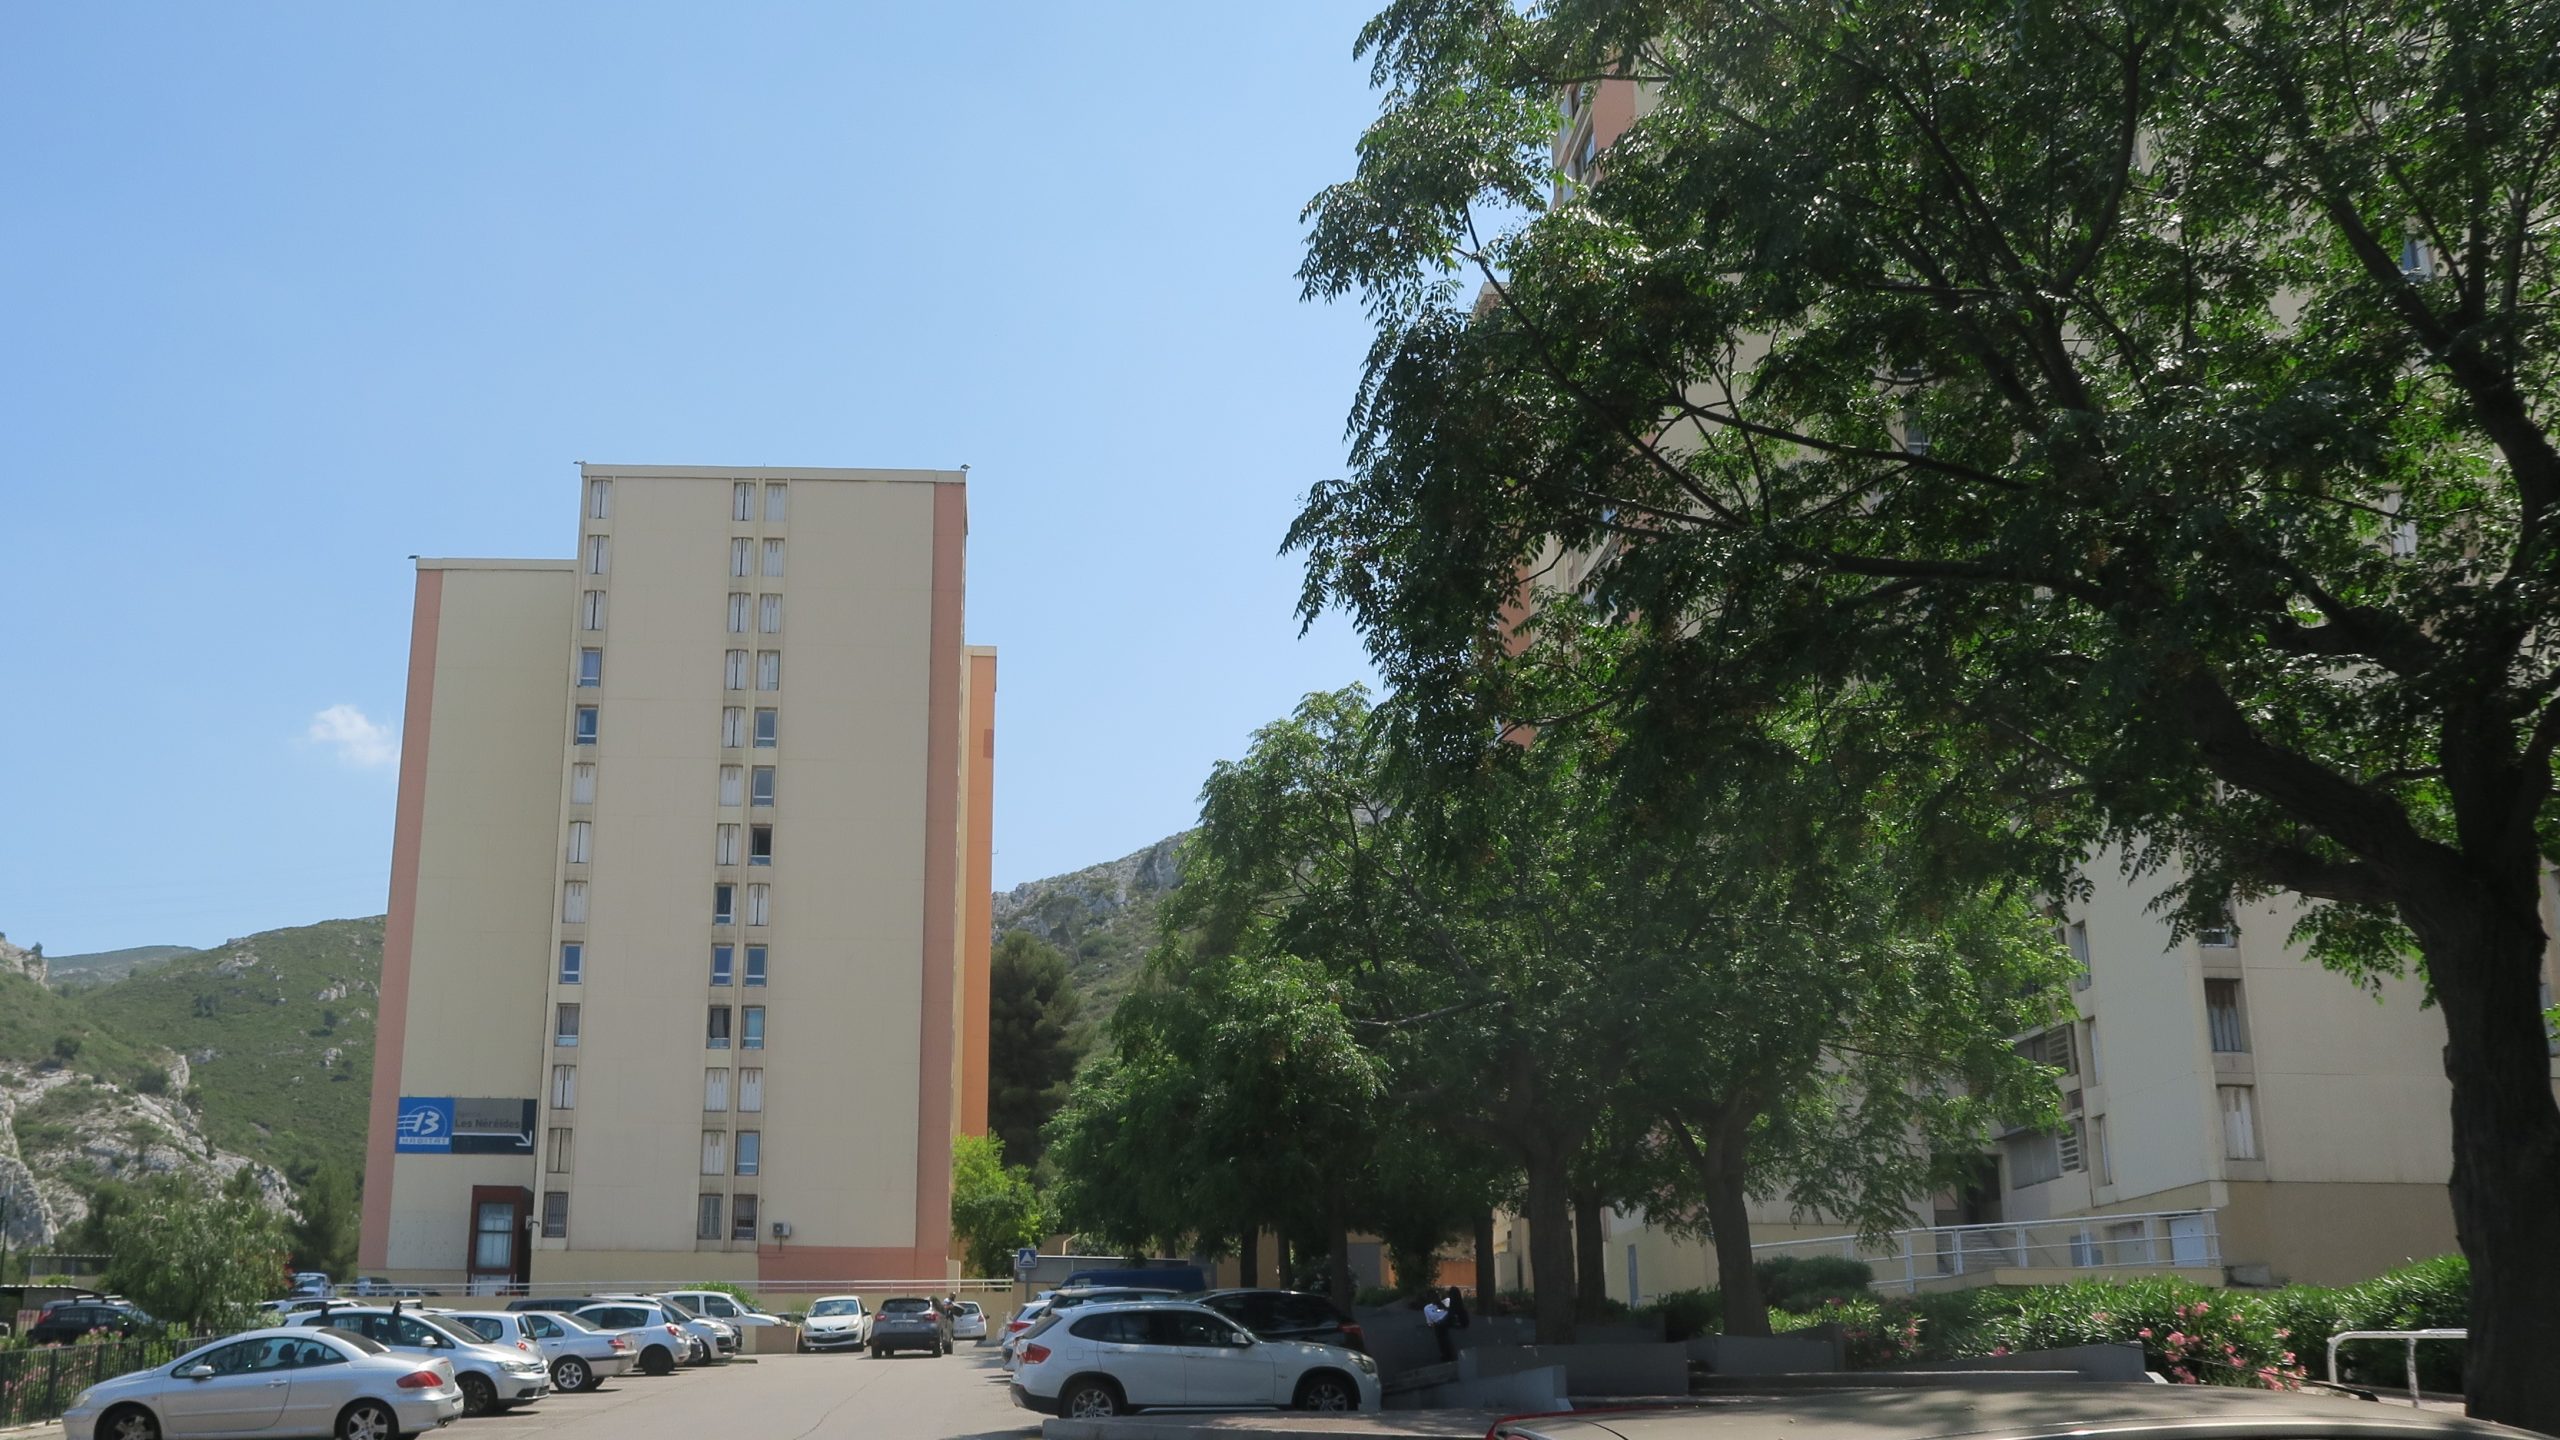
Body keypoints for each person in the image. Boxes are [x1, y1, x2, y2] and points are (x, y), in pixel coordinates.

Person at [1423, 1290, 1454, 1362]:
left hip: (1446, 1321)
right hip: (1438, 1325)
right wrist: (1430, 1324)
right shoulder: (1427, 1308)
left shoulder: (1445, 1302)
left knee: (1443, 1334)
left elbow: (1451, 1311)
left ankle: (1448, 1354)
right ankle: (1445, 1354)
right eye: (1431, 1297)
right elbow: (1429, 1320)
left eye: (1435, 1297)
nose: (1433, 1299)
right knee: (1440, 1337)